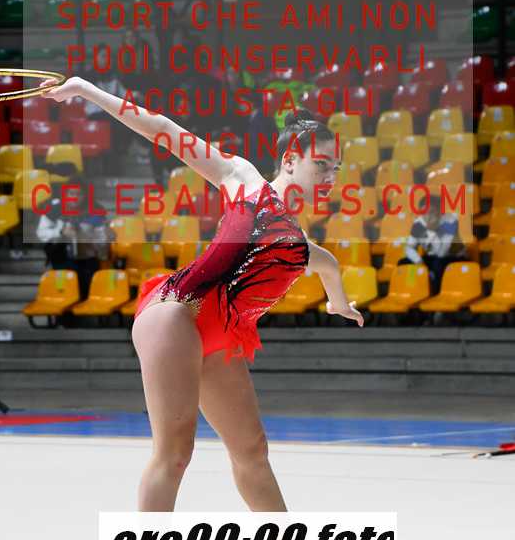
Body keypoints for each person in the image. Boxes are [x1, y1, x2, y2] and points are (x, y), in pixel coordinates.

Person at [40, 75, 363, 513]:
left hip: (220, 336)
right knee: (175, 453)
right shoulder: (243, 179)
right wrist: (84, 90)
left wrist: (339, 305)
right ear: (290, 160)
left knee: (252, 450)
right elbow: (165, 131)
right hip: (177, 314)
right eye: (322, 164)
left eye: (336, 168)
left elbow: (330, 268)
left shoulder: (303, 247)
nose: (330, 176)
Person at [397, 194, 467, 294]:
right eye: (424, 212)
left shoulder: (450, 221)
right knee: (404, 262)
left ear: (440, 212)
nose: (427, 216)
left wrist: (432, 230)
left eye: (431, 212)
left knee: (438, 264)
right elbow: (409, 248)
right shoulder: (419, 224)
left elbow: (442, 252)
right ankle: (410, 290)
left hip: (454, 257)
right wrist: (419, 262)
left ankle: (435, 295)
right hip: (433, 257)